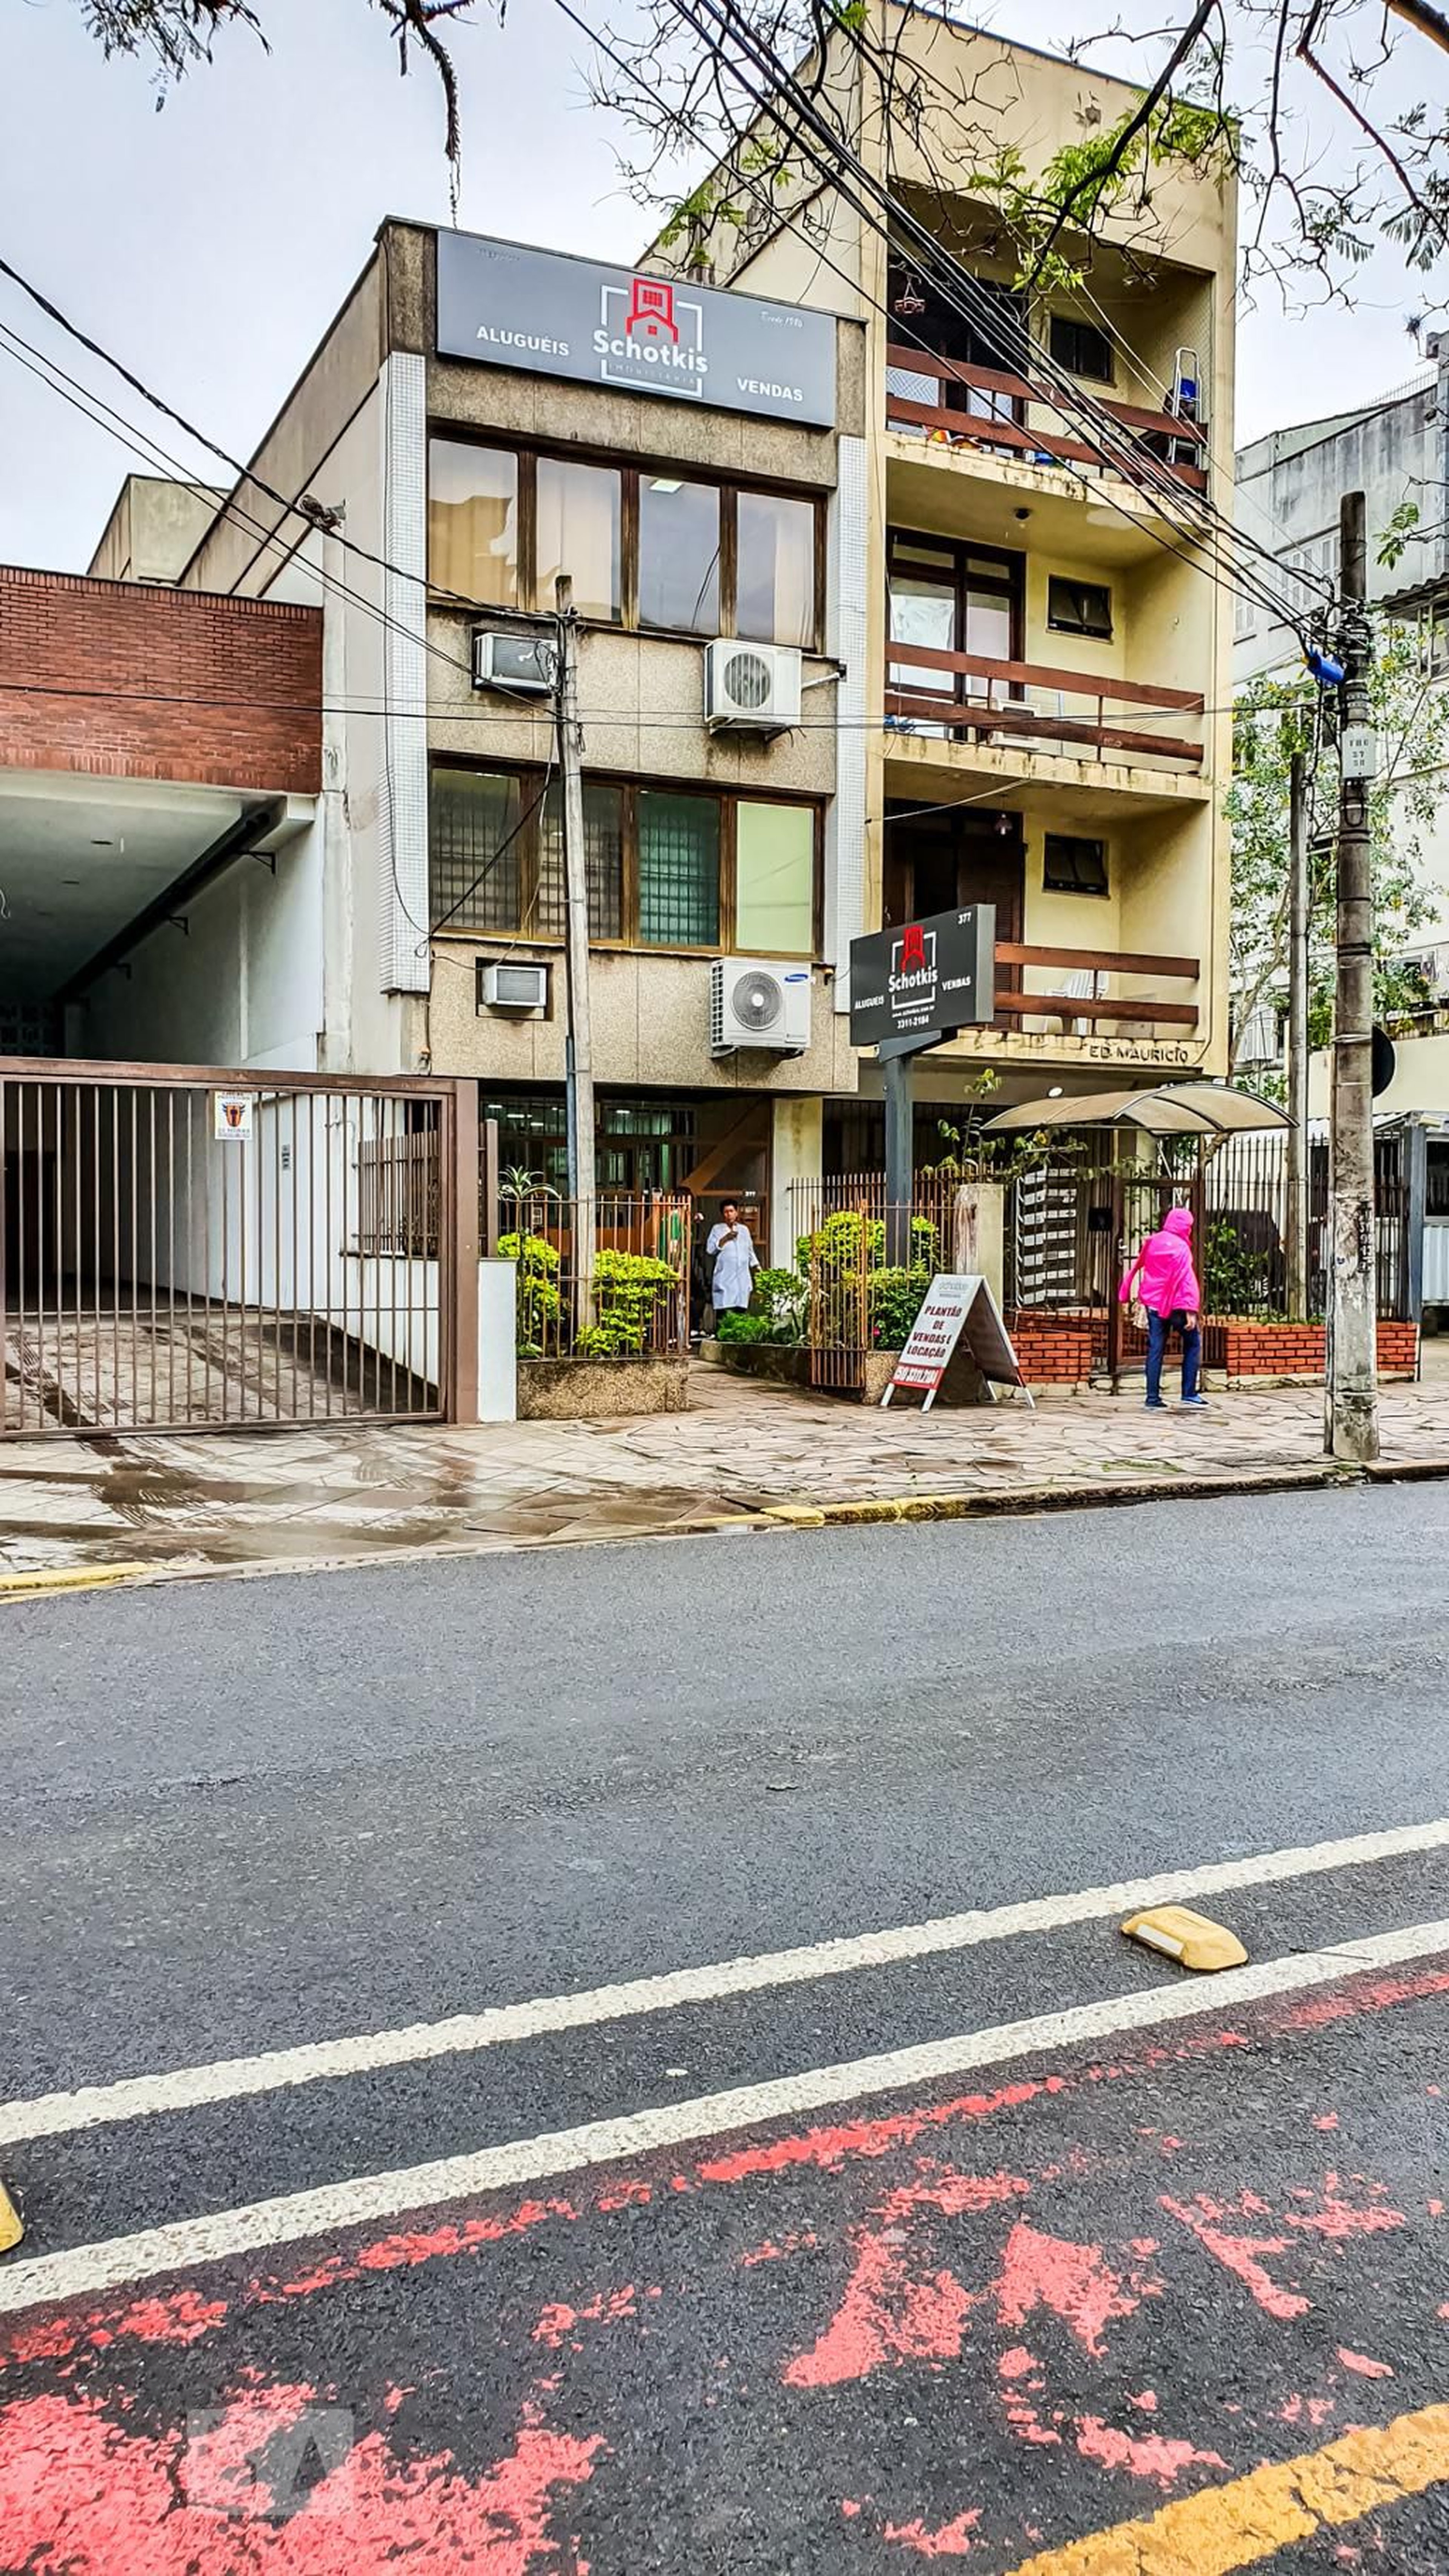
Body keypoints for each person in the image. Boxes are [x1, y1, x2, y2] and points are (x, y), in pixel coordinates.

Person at [1119, 1204, 1207, 1410]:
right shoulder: (1182, 1248)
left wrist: (1128, 1289)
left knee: (1156, 1349)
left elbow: (1139, 1266)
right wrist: (1191, 1310)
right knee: (1193, 1343)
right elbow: (1186, 1281)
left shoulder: (1153, 1241)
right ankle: (1189, 1393)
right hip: (1177, 1306)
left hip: (1154, 1304)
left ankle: (1152, 1398)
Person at [706, 1199, 760, 1322]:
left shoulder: (744, 1230)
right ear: (722, 1214)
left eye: (731, 1211)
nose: (729, 1215)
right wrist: (725, 1239)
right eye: (726, 1212)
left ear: (737, 1213)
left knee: (740, 1309)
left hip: (742, 1276)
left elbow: (750, 1250)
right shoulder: (717, 1229)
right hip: (725, 1276)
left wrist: (757, 1267)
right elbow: (710, 1250)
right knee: (725, 1309)